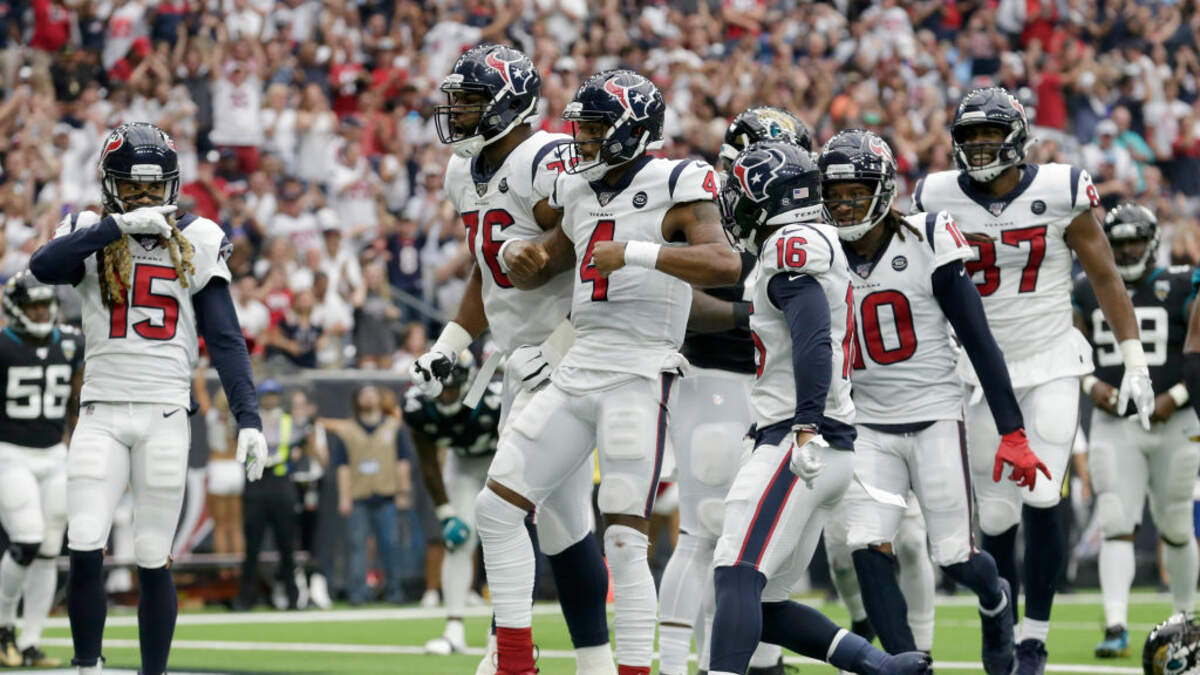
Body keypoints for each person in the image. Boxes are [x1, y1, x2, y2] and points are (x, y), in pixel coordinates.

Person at [486, 68, 741, 675]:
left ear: (633, 130)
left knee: (625, 541)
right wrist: (519, 254)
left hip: (639, 371)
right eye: (583, 127)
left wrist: (637, 253)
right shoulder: (577, 189)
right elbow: (547, 261)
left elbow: (724, 262)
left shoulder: (677, 179)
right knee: (495, 509)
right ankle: (515, 663)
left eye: (597, 128)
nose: (583, 139)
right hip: (578, 366)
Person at [913, 86, 1153, 671]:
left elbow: (1105, 276)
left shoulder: (1059, 189)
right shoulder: (935, 196)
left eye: (990, 134)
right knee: (996, 517)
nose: (979, 145)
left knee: (1043, 494)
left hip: (1049, 360)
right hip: (975, 371)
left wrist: (1134, 359)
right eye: (970, 136)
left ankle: (1034, 640)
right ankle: (1001, 622)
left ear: (1017, 139)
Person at [28, 121, 268, 675]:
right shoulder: (89, 229)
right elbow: (43, 268)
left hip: (164, 411)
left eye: (152, 187)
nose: (142, 197)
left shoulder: (198, 237)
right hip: (101, 410)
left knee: (153, 553)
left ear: (172, 185)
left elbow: (225, 338)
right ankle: (87, 666)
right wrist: (113, 227)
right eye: (131, 187)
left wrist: (249, 417)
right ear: (109, 185)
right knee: (84, 541)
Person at [407, 44, 615, 675]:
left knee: (505, 508)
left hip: (570, 354)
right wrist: (450, 344)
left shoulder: (544, 158)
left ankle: (510, 656)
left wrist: (547, 263)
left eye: (471, 102)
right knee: (561, 524)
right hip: (522, 360)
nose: (458, 114)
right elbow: (488, 270)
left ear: (510, 104)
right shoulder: (462, 172)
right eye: (457, 101)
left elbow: (593, 234)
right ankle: (593, 661)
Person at [823, 129, 1046, 673]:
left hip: (935, 415)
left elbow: (978, 337)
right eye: (835, 194)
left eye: (856, 192)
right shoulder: (819, 250)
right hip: (867, 422)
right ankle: (906, 664)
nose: (844, 204)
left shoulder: (925, 237)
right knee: (867, 544)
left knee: (955, 557)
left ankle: (995, 598)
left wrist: (1013, 430)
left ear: (883, 190)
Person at [706, 139, 930, 675]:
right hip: (822, 440)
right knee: (766, 606)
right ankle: (883, 666)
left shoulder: (792, 246)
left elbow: (813, 338)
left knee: (735, 571)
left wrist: (805, 423)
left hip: (800, 436)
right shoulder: (811, 241)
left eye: (742, 196)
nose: (735, 208)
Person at [657, 105, 811, 675]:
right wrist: (760, 314)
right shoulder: (704, 213)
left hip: (775, 390)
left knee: (763, 540)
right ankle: (678, 666)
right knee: (705, 531)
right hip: (718, 381)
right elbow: (680, 305)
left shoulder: (792, 225)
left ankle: (753, 663)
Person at [1074, 204, 1199, 658]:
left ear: (1151, 242)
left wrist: (1177, 397)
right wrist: (1091, 385)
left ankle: (1185, 620)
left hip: (1175, 420)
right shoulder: (1085, 288)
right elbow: (1068, 347)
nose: (1126, 250)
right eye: (1119, 242)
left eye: (1134, 241)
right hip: (1116, 421)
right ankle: (1115, 625)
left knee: (1177, 524)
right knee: (1115, 521)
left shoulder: (1183, 283)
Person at [0, 271, 83, 668]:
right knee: (28, 539)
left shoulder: (71, 342)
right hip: (9, 453)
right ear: (15, 308)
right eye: (32, 306)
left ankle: (31, 642)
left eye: (44, 305)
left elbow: (78, 396)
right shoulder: (3, 346)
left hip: (54, 454)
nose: (40, 313)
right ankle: (3, 628)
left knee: (50, 549)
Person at [406, 352, 500, 655]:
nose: (445, 395)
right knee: (458, 540)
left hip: (503, 459)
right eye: (440, 388)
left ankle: (503, 631)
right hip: (463, 465)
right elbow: (428, 462)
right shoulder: (417, 406)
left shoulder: (494, 399)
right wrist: (445, 513)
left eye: (451, 387)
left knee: (507, 539)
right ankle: (454, 629)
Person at [326, 384, 412, 605]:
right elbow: (342, 467)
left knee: (390, 544)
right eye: (364, 395)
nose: (369, 399)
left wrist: (403, 490)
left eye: (373, 394)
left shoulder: (393, 427)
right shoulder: (347, 430)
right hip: (359, 496)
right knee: (357, 546)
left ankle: (394, 590)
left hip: (387, 494)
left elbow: (402, 461)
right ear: (357, 400)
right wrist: (344, 497)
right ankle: (358, 592)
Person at [236, 379, 308, 611]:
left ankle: (293, 597)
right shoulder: (250, 421)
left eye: (273, 395)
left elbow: (300, 441)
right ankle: (246, 598)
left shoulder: (288, 421)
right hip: (256, 482)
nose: (270, 399)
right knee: (252, 546)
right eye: (266, 395)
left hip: (280, 482)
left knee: (286, 545)